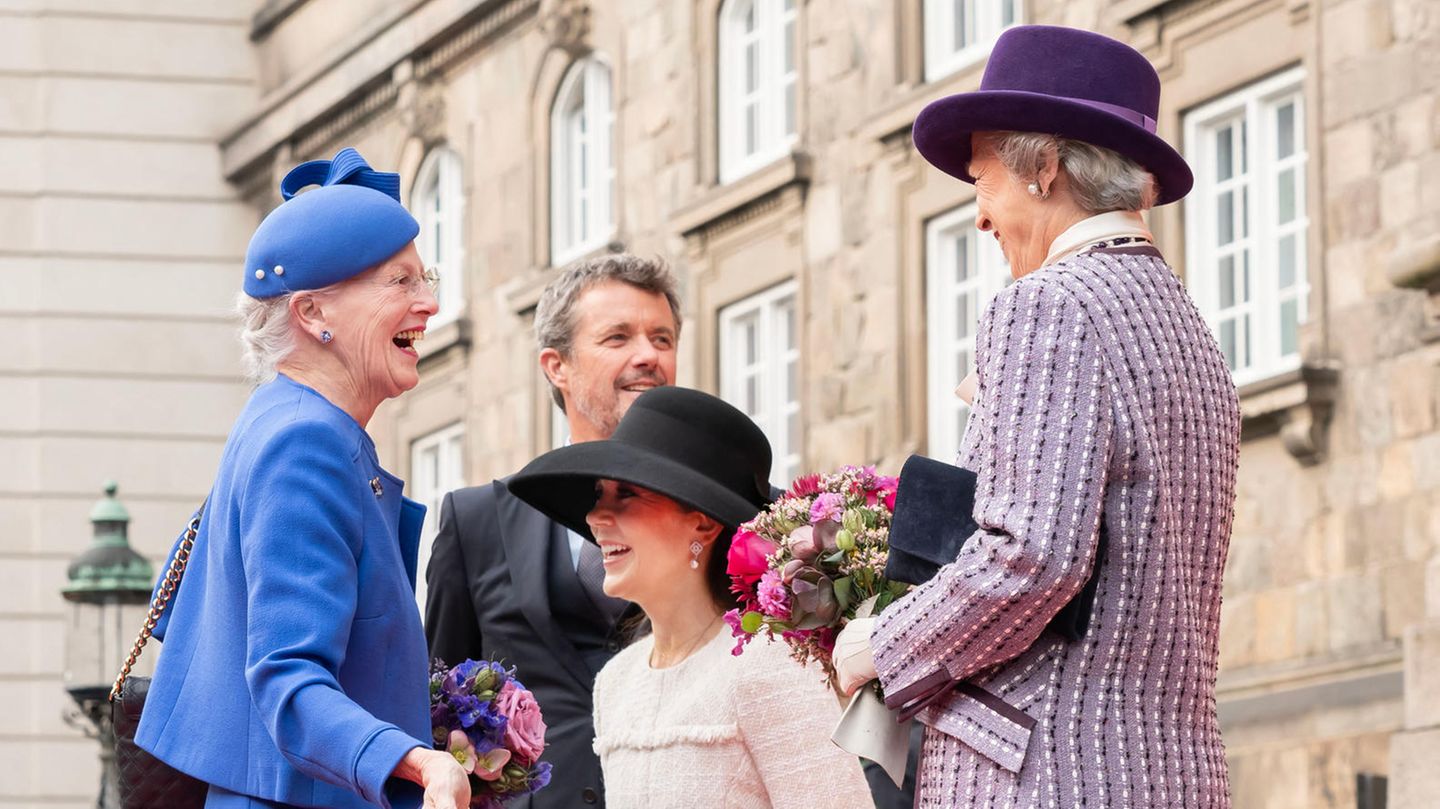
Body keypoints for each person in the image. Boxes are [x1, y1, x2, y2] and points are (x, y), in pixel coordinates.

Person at [834, 25, 1241, 809]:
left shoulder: (1045, 305)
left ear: (1044, 167)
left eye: (982, 182)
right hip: (1172, 776)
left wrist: (878, 645)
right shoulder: (1190, 329)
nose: (981, 218)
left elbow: (1029, 556)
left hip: (1044, 773)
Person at [135, 148, 470, 808]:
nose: (429, 301)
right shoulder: (303, 440)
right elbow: (287, 677)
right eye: (399, 281)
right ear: (314, 314)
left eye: (422, 276)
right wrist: (416, 760)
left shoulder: (286, 423)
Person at [506, 387, 874, 809]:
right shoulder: (616, 682)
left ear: (702, 524)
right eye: (599, 495)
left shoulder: (769, 666)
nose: (593, 518)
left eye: (625, 495)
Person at [424, 255, 680, 808]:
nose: (648, 356)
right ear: (556, 365)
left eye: (662, 338)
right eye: (618, 337)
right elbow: (432, 706)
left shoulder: (731, 520)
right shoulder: (476, 523)